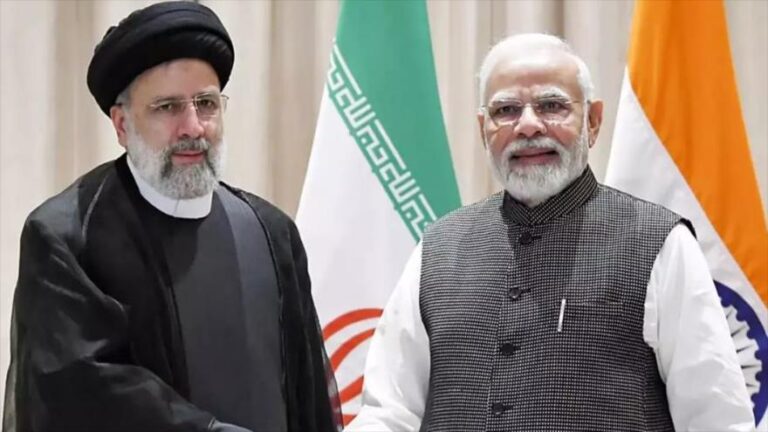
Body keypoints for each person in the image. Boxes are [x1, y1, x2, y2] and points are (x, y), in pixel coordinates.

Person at [347, 33, 754, 431]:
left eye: (552, 105)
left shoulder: (660, 243)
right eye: (506, 110)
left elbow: (717, 419)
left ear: (593, 121)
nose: (527, 126)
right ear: (483, 128)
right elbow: (389, 413)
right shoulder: (438, 248)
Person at [2, 2, 341, 431]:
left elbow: (308, 398)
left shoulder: (272, 234)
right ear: (122, 125)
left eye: (206, 103)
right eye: (167, 107)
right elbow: (78, 393)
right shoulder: (66, 237)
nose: (193, 128)